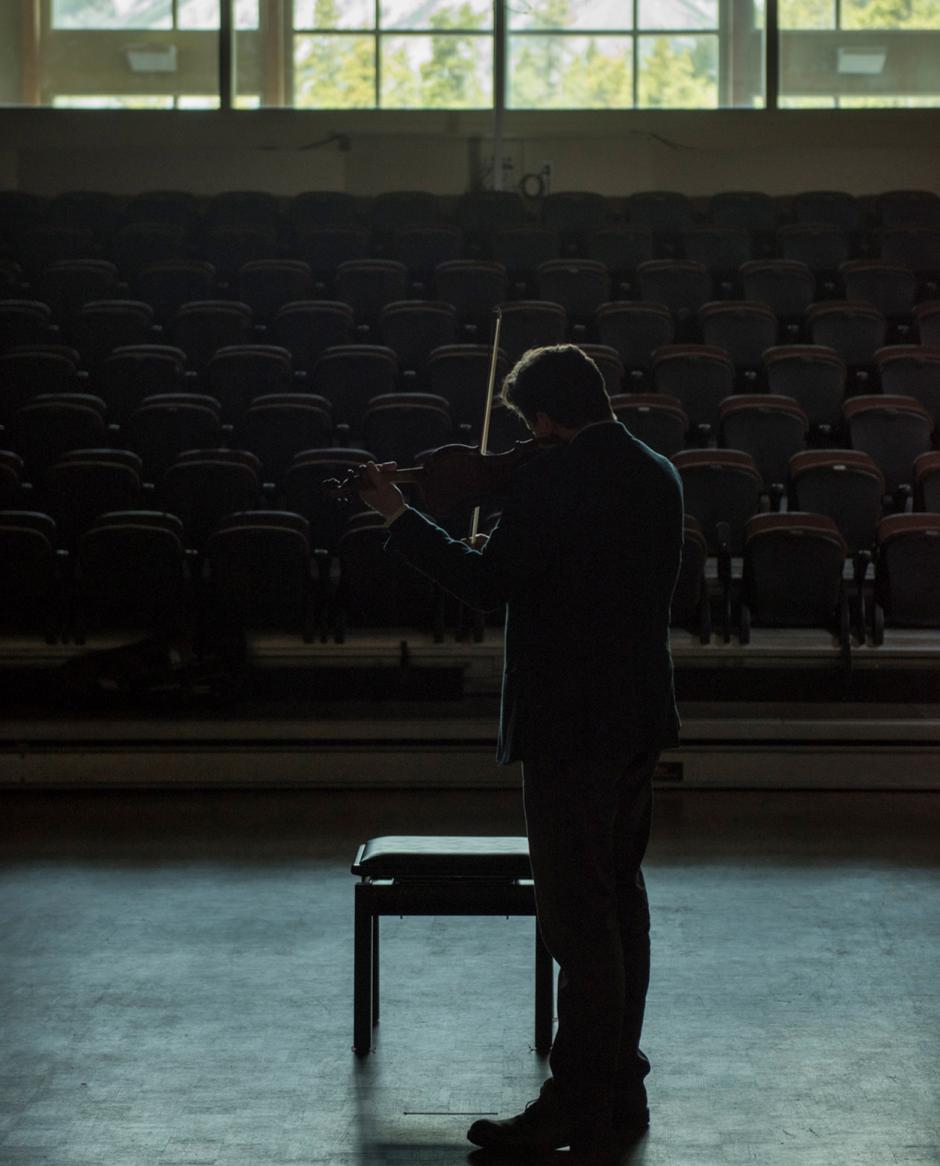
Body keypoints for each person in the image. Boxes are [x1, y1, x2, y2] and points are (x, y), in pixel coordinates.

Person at [357, 344, 684, 1162]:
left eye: (528, 428)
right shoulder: (658, 474)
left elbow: (481, 582)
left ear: (543, 418)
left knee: (579, 923)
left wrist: (399, 516)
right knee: (622, 905)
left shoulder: (547, 481)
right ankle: (620, 1086)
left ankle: (574, 1104)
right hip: (638, 718)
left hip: (569, 728)